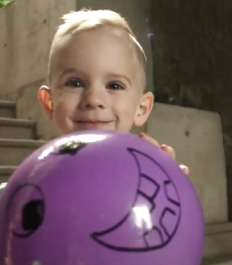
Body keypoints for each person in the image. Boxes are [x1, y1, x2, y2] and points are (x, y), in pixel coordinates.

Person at [37, 9, 189, 175]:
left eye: (114, 86)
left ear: (142, 108)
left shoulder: (150, 172)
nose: (94, 99)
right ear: (49, 103)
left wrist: (171, 188)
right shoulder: (36, 177)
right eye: (75, 83)